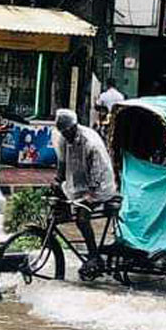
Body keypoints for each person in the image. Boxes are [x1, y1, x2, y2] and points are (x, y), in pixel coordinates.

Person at [53, 109, 116, 277]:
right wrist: (57, 182)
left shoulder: (90, 142)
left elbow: (98, 172)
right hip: (79, 184)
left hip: (99, 187)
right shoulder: (63, 139)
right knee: (58, 204)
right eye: (63, 132)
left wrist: (89, 196)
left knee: (82, 218)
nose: (65, 135)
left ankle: (94, 256)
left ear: (74, 127)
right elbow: (62, 162)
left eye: (67, 132)